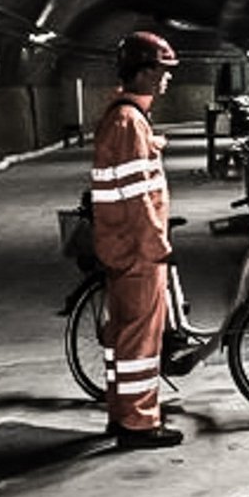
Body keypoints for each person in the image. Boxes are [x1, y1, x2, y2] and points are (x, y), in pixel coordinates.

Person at [90, 30, 186, 450]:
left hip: (116, 245)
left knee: (121, 335)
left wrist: (153, 144)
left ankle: (121, 411)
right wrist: (156, 245)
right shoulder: (129, 121)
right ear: (144, 73)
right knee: (141, 339)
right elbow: (137, 197)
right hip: (136, 249)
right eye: (162, 71)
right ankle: (139, 422)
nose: (166, 79)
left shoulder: (123, 118)